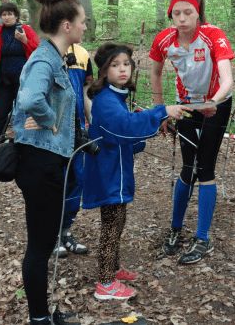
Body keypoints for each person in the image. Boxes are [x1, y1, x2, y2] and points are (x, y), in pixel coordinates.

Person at [83, 44, 188, 300]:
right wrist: (162, 111)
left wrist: (149, 130)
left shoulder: (115, 97)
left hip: (115, 170)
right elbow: (124, 126)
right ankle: (105, 283)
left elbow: (125, 134)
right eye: (115, 65)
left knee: (117, 222)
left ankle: (113, 268)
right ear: (104, 70)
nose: (122, 69)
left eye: (126, 64)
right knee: (111, 226)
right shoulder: (106, 100)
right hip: (109, 173)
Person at [11, 0, 85, 325]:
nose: (84, 27)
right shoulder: (44, 60)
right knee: (40, 247)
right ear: (67, 25)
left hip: (49, 162)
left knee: (43, 243)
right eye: (82, 22)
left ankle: (44, 313)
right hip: (39, 163)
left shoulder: (55, 57)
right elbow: (30, 99)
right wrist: (50, 120)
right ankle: (39, 319)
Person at [150, 0, 235, 265]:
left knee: (205, 167)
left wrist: (214, 101)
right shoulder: (164, 40)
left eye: (188, 12)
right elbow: (155, 71)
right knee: (188, 167)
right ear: (170, 16)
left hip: (217, 104)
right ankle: (175, 229)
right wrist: (161, 110)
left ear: (198, 13)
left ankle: (202, 237)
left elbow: (228, 79)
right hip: (185, 104)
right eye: (177, 13)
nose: (182, 18)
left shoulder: (213, 35)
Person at [54, 43, 93, 258]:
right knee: (55, 182)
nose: (84, 27)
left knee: (76, 180)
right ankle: (50, 233)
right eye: (81, 25)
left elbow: (86, 90)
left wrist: (92, 121)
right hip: (53, 132)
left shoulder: (83, 54)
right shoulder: (46, 51)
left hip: (77, 132)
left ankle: (65, 230)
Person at [0, 2, 39, 141]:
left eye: (10, 14)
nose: (7, 17)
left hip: (23, 79)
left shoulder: (25, 29)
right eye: (4, 14)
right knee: (0, 110)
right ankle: (0, 138)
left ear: (16, 16)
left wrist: (24, 40)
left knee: (24, 110)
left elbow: (38, 50)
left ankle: (25, 140)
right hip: (3, 79)